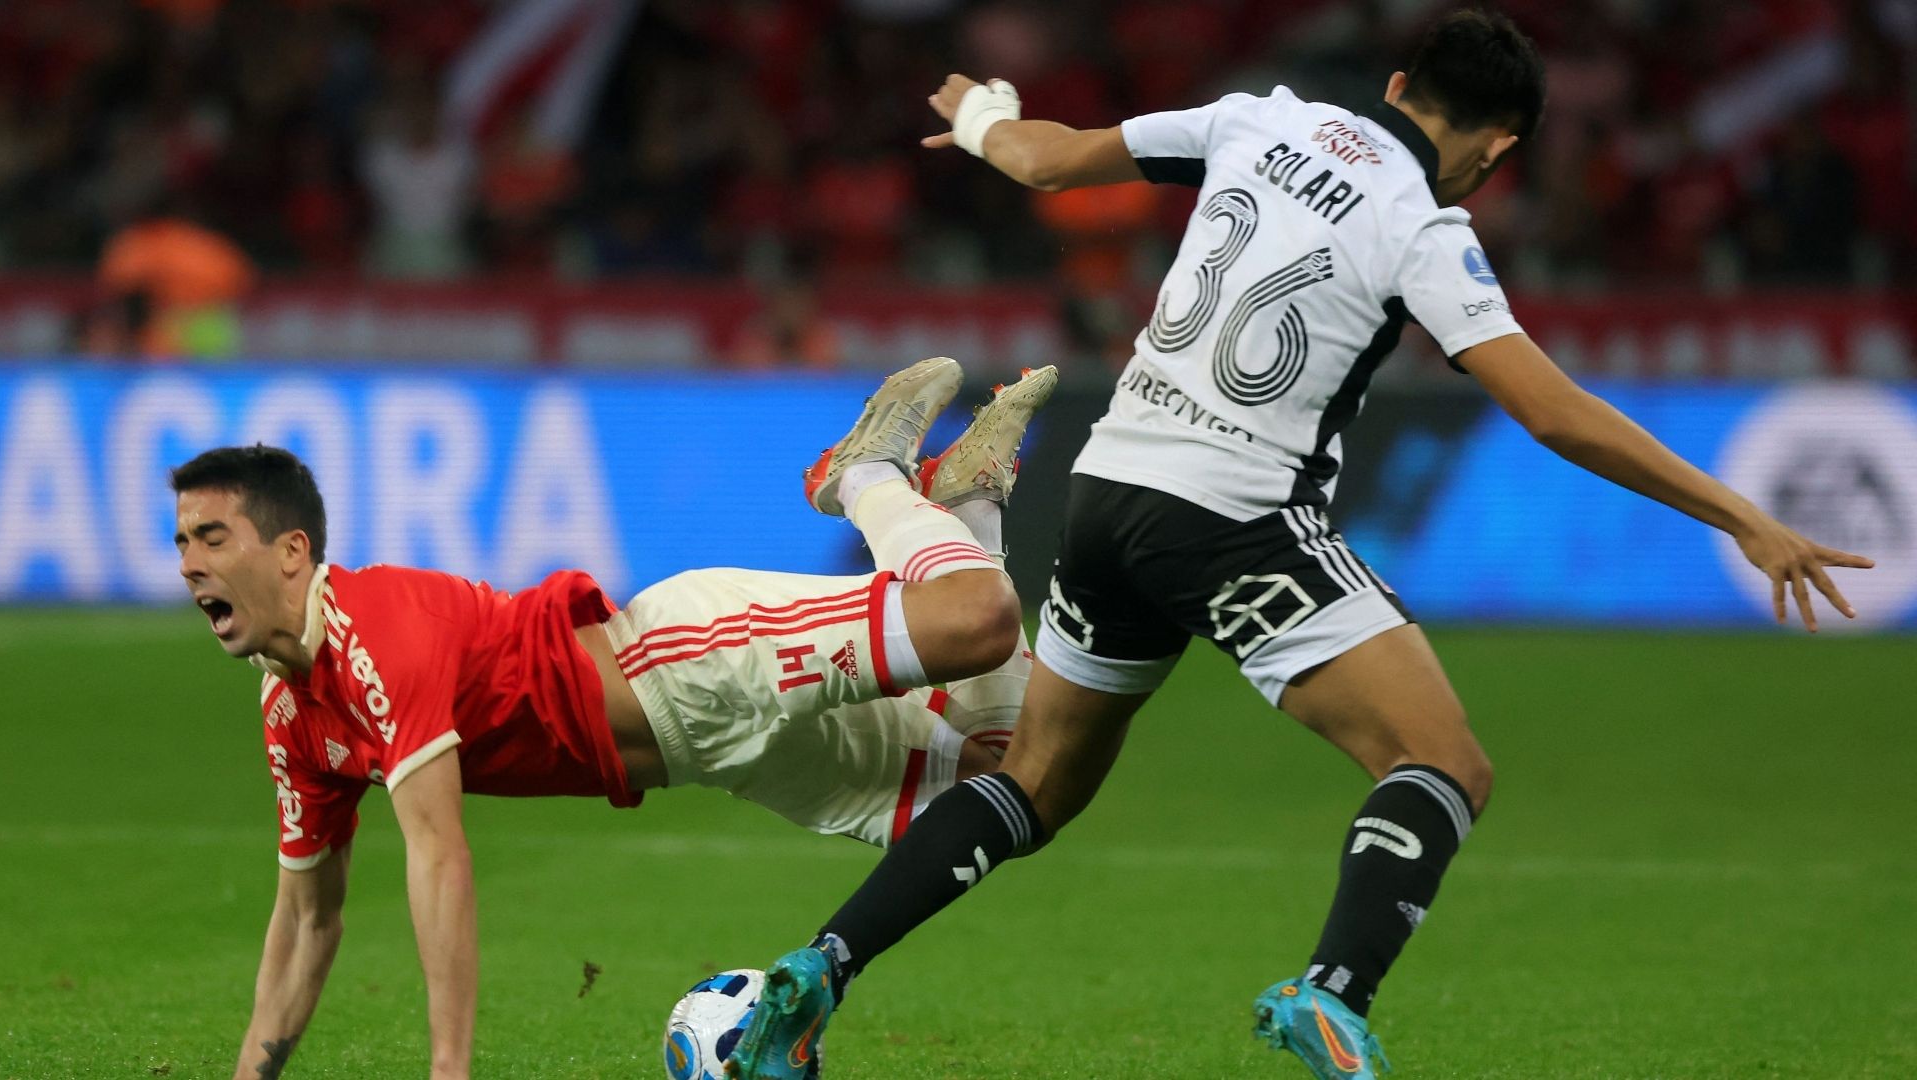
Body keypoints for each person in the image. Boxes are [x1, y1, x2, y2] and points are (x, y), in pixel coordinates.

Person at [725, 13, 1875, 1080]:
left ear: (1392, 87)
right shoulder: (1427, 228)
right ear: (1498, 145)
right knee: (1442, 765)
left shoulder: (1252, 117)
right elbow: (1555, 412)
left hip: (1107, 489)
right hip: (1235, 516)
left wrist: (980, 109)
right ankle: (1333, 992)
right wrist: (1745, 517)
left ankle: (817, 973)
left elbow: (1044, 160)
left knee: (1031, 781)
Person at [176, 357, 1054, 1080]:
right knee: (1006, 781)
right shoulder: (293, 714)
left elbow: (438, 853)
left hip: (688, 659)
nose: (190, 565)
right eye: (182, 544)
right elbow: (306, 918)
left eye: (212, 539)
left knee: (976, 620)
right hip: (712, 756)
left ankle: (860, 477)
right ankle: (973, 503)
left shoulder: (376, 633)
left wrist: (449, 1070)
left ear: (293, 552)